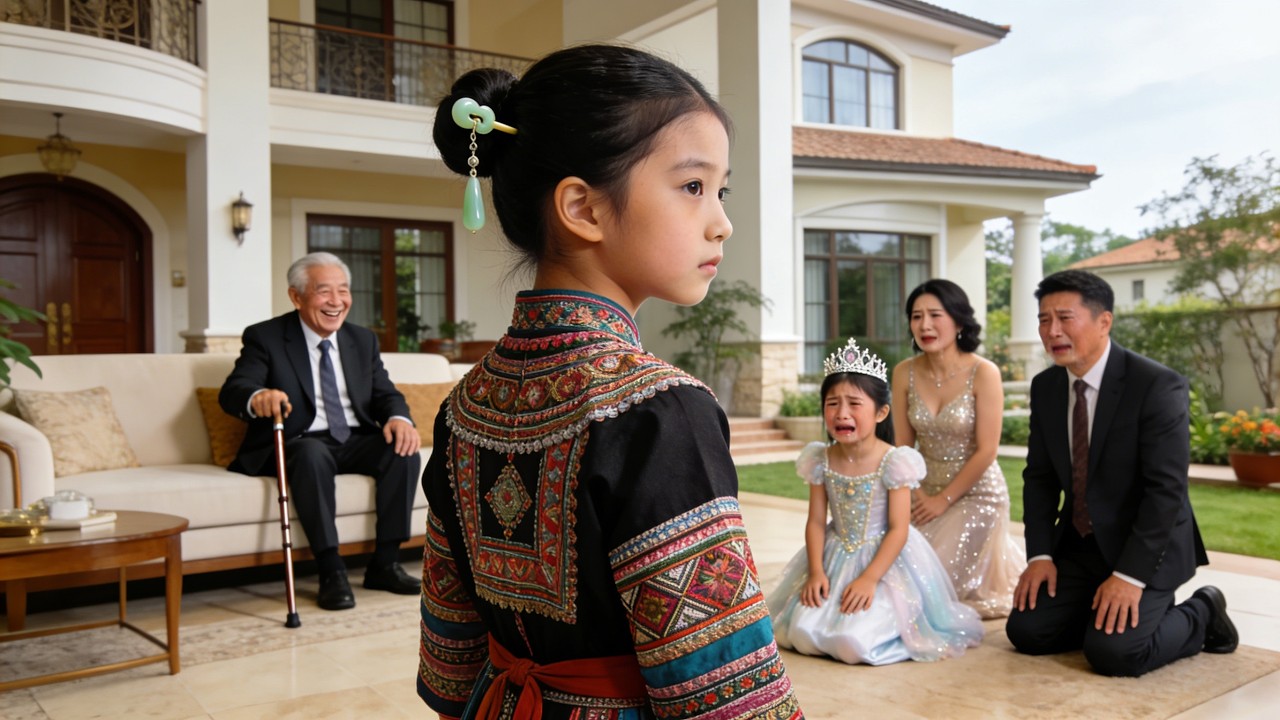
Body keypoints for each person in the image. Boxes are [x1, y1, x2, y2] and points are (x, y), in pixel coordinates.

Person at [417, 45, 802, 719]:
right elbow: (725, 692)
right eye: (692, 187)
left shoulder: (465, 403)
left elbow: (450, 663)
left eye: (722, 190)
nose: (722, 221)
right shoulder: (658, 411)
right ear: (582, 208)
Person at [1006, 269, 1238, 677]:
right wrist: (1040, 555)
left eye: (1065, 317)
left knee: (1116, 655)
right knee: (1027, 632)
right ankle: (1100, 612)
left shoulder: (1156, 385)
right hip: (1080, 543)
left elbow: (1165, 492)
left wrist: (1129, 577)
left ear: (1104, 321)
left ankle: (1203, 610)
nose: (1052, 330)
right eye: (1044, 319)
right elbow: (1038, 477)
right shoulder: (1046, 387)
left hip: (1144, 546)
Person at [220, 252, 422, 611]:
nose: (336, 301)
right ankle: (332, 570)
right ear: (296, 297)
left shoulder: (362, 340)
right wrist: (258, 396)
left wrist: (398, 418)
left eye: (343, 290)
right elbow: (235, 389)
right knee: (312, 453)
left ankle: (385, 563)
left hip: (351, 438)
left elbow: (384, 393)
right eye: (323, 291)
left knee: (402, 448)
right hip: (298, 442)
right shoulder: (265, 337)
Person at [768, 337, 983, 666]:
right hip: (834, 555)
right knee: (800, 633)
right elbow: (815, 522)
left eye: (854, 404)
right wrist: (815, 572)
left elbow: (899, 528)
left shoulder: (894, 462)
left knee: (854, 642)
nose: (842, 414)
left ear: (881, 412)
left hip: (885, 562)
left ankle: (891, 627)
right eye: (832, 403)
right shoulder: (820, 459)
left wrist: (869, 579)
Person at [890, 279, 1025, 618]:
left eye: (936, 314)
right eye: (916, 316)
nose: (925, 325)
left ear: (959, 321)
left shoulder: (984, 372)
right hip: (921, 495)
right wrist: (916, 493)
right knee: (886, 568)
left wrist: (942, 500)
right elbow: (902, 446)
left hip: (977, 496)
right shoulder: (904, 373)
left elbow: (987, 450)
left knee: (925, 585)